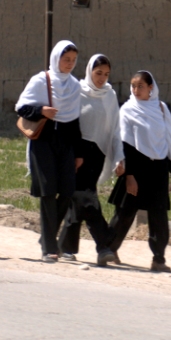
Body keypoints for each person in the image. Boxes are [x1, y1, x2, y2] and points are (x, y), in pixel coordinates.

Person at [106, 70, 171, 272]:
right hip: (136, 168)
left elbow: (167, 141)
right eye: (133, 86)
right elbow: (126, 144)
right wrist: (129, 176)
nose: (136, 90)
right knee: (125, 214)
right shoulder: (128, 110)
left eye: (140, 86)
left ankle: (159, 258)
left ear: (151, 88)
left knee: (159, 216)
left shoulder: (161, 109)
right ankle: (108, 250)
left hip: (158, 169)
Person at [16, 40, 82, 263]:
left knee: (66, 191)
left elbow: (75, 121)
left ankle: (47, 238)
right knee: (47, 192)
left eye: (73, 60)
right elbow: (21, 107)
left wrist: (79, 153)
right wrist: (41, 110)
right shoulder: (40, 81)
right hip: (43, 141)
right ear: (56, 59)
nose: (70, 64)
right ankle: (49, 248)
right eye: (66, 59)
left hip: (66, 143)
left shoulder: (74, 86)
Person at [57, 54, 123, 266]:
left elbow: (115, 130)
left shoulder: (110, 96)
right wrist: (74, 153)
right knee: (85, 197)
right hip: (78, 151)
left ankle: (65, 248)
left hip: (98, 153)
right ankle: (105, 243)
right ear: (89, 72)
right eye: (98, 73)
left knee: (79, 199)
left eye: (106, 74)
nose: (102, 78)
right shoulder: (78, 92)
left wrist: (119, 157)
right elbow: (70, 122)